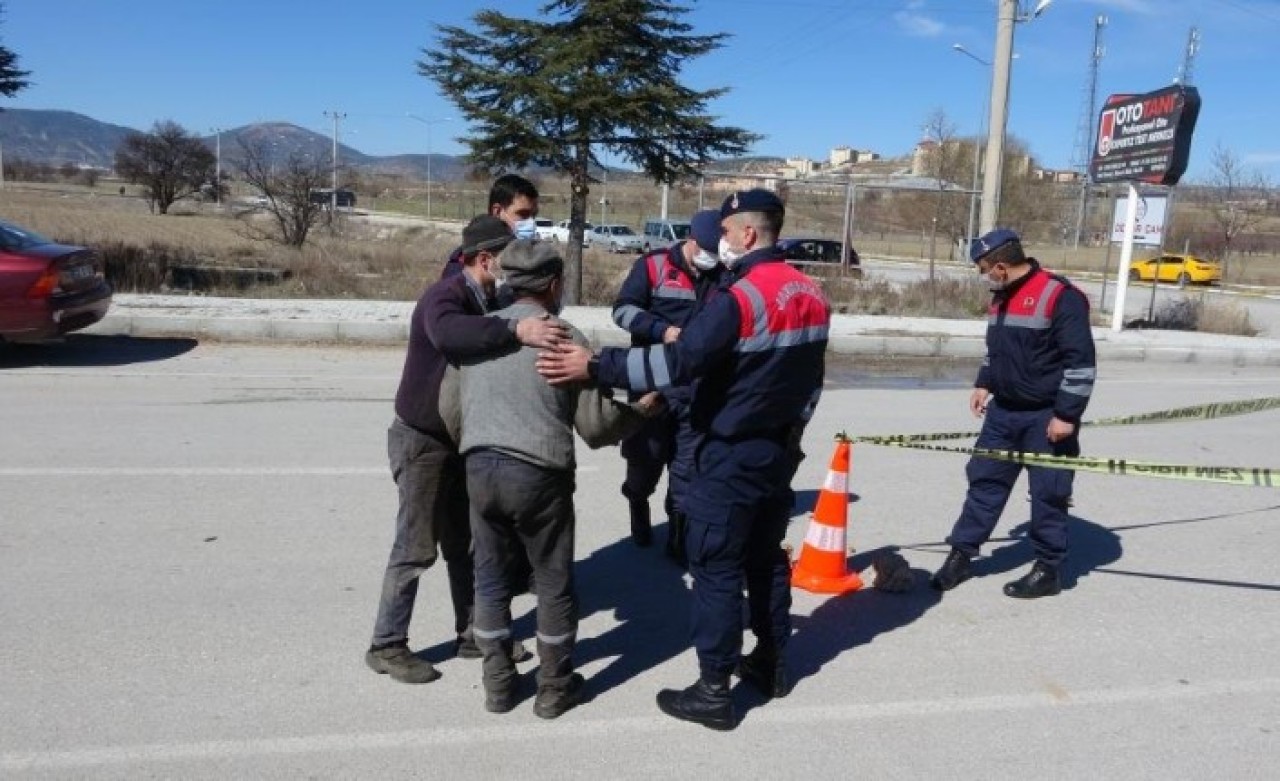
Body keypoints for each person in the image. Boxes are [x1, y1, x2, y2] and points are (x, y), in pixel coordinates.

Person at [537, 189, 830, 730]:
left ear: (745, 234)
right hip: (778, 450)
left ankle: (714, 690)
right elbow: (813, 377)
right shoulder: (810, 289)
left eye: (724, 231)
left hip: (730, 453)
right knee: (765, 559)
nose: (718, 241)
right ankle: (771, 662)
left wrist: (598, 366)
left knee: (716, 569)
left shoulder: (740, 297)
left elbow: (680, 361)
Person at [439, 239, 654, 718]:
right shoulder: (564, 336)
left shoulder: (480, 333)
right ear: (555, 284)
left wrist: (475, 444)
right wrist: (640, 412)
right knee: (554, 583)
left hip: (480, 468)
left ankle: (497, 684)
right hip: (539, 474)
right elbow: (596, 427)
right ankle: (554, 688)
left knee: (490, 580)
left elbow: (449, 410)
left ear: (509, 280)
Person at [366, 215, 565, 685]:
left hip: (460, 442)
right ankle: (387, 644)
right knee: (415, 547)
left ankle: (473, 634)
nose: (513, 271)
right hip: (423, 441)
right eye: (508, 260)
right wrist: (517, 333)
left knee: (466, 546)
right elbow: (451, 336)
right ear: (484, 260)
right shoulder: (446, 296)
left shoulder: (490, 297)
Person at [929, 228, 1097, 600]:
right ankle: (961, 554)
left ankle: (1048, 569)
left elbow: (1080, 365)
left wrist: (1066, 415)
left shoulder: (1060, 297)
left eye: (984, 269)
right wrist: (984, 382)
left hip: (1046, 417)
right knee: (984, 484)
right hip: (1003, 414)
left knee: (1048, 494)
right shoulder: (1001, 298)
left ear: (1001, 266)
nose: (984, 275)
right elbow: (998, 349)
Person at [610, 208, 722, 554]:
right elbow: (622, 311)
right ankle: (637, 502)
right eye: (706, 249)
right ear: (691, 240)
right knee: (646, 460)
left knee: (686, 468)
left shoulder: (720, 275)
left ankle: (678, 538)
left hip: (694, 388)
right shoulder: (653, 266)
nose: (710, 258)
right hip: (651, 383)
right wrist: (662, 330)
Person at [441, 174, 541, 279]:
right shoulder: (464, 268)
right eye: (523, 214)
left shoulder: (526, 260)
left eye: (533, 215)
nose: (530, 222)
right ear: (497, 211)